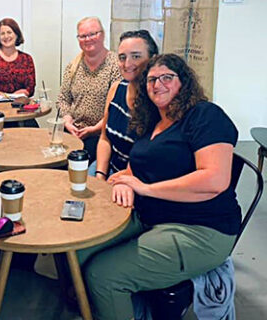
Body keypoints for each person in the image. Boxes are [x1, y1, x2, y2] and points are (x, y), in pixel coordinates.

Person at [81, 54, 240, 320]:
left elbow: (215, 180)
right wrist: (125, 181)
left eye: (167, 77)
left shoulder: (204, 115)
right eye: (152, 79)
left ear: (184, 82)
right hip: (150, 216)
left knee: (103, 274)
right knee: (79, 248)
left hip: (200, 229)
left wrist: (144, 188)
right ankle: (108, 306)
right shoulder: (153, 120)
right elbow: (140, 163)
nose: (158, 84)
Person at [89, 30, 159, 179]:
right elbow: (104, 138)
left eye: (136, 56)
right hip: (110, 167)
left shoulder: (158, 100)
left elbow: (151, 159)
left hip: (139, 177)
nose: (127, 64)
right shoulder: (116, 88)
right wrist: (100, 174)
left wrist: (121, 179)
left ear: (152, 59)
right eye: (122, 57)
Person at [58, 17, 121, 163]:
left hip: (101, 135)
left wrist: (93, 129)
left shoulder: (116, 65)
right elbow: (63, 99)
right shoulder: (73, 66)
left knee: (75, 164)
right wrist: (68, 122)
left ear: (103, 34)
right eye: (83, 36)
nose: (88, 39)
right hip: (73, 131)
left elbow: (117, 108)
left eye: (93, 34)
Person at [0, 18, 35, 98]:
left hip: (20, 105)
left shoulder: (27, 59)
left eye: (9, 32)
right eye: (2, 34)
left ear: (17, 34)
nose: (6, 36)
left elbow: (31, 88)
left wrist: (25, 92)